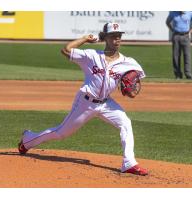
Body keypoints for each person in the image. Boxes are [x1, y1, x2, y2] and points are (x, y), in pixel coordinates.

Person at [18, 22, 148, 176]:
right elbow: (66, 50)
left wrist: (132, 91)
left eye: (119, 36)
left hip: (106, 103)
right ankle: (28, 139)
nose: (117, 39)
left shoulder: (129, 63)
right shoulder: (91, 56)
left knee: (125, 123)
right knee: (61, 133)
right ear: (105, 37)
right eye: (113, 36)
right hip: (86, 102)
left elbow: (134, 86)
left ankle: (129, 163)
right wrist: (84, 39)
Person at [166, 11, 192, 79]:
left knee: (187, 56)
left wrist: (190, 31)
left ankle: (188, 74)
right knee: (176, 56)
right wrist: (172, 29)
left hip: (186, 36)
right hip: (176, 36)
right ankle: (178, 74)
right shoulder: (173, 13)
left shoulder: (189, 13)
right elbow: (167, 22)